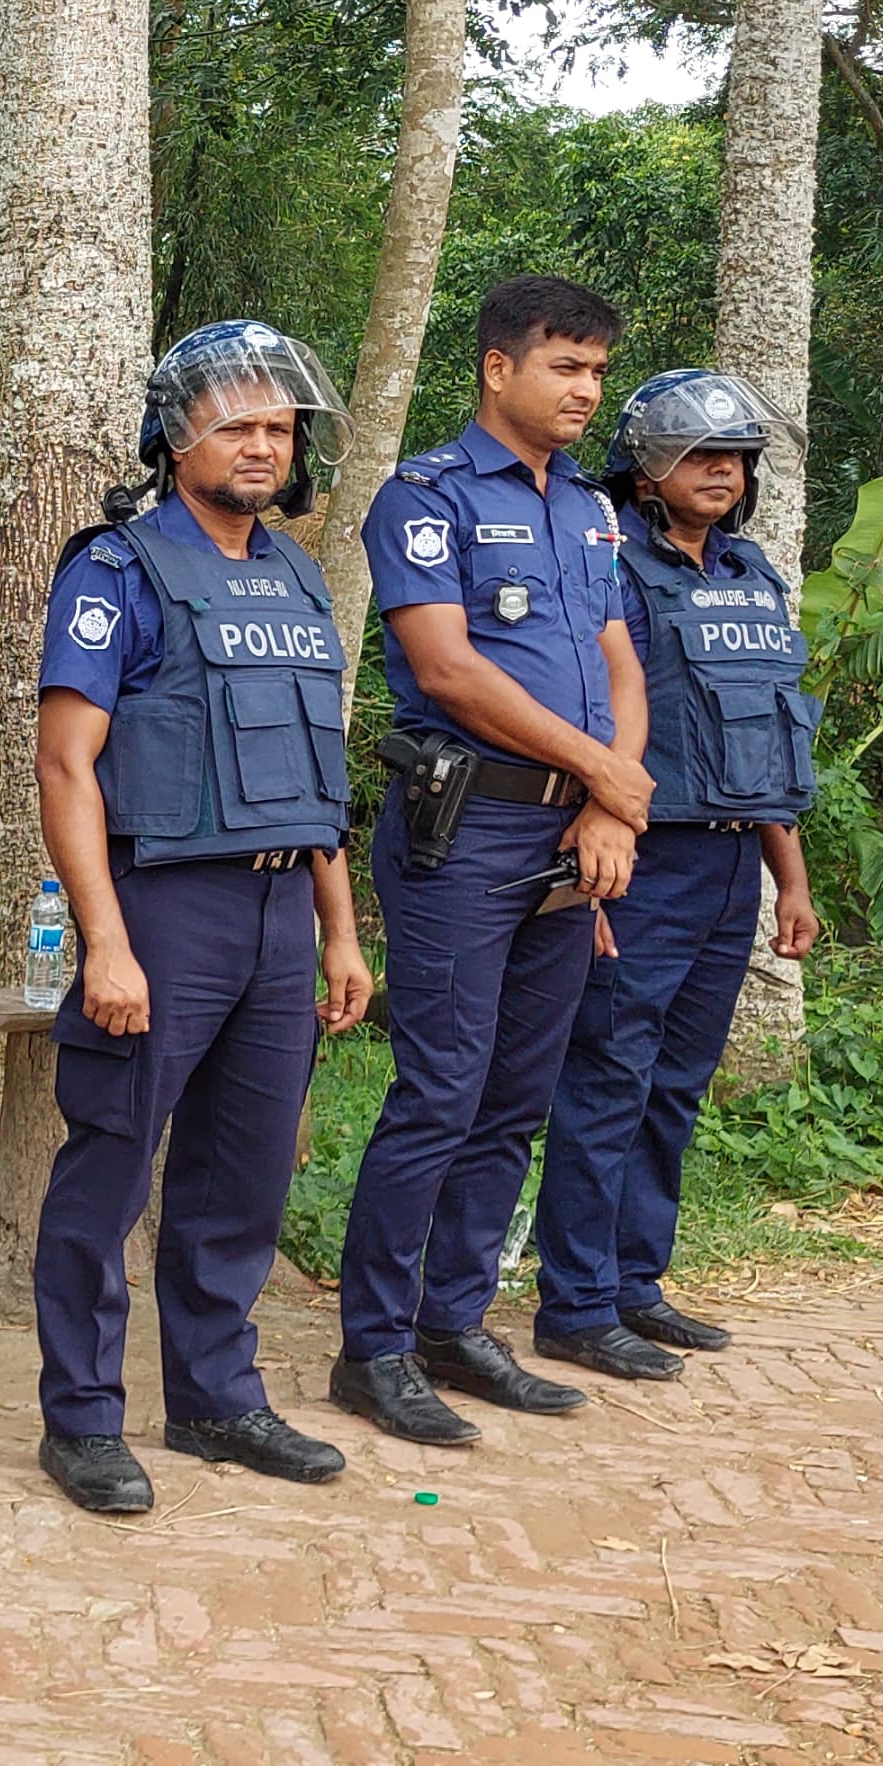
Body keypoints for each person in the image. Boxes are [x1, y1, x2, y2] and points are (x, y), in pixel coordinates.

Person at [22, 322, 380, 1516]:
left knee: (240, 1175)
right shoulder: (115, 571)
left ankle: (217, 1399)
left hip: (282, 905)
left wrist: (337, 927)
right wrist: (104, 938)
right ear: (175, 438)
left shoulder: (289, 574)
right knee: (110, 1165)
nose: (261, 446)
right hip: (165, 904)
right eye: (235, 424)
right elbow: (66, 766)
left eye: (278, 426)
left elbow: (309, 770)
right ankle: (79, 1419)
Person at [331, 275, 656, 1447]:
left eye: (595, 370)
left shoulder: (589, 510)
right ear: (495, 367)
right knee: (440, 1087)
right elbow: (450, 668)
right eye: (563, 365)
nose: (584, 390)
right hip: (462, 831)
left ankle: (451, 1321)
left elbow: (621, 662)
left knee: (515, 1095)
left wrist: (611, 805)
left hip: (571, 836)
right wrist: (607, 775)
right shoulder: (424, 497)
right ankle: (370, 1347)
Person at [528, 371, 822, 1376]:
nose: (720, 471)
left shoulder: (750, 575)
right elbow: (583, 716)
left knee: (674, 1084)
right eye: (699, 455)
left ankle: (633, 1283)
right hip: (636, 860)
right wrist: (583, 857)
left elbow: (769, 745)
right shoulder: (608, 565)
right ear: (644, 470)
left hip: (732, 862)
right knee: (607, 1073)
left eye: (734, 457)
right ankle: (571, 1301)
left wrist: (789, 880)